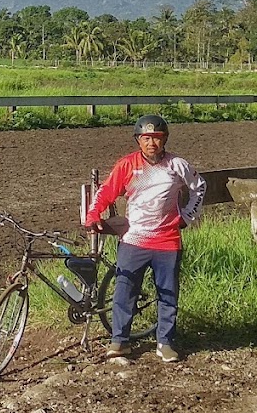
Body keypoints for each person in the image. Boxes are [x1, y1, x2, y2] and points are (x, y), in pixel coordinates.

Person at [84, 114, 206, 363]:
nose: (152, 143)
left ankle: (166, 342)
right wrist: (94, 214)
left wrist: (187, 216)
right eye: (147, 138)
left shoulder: (177, 165)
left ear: (165, 140)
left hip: (168, 240)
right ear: (139, 140)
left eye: (157, 138)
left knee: (168, 294)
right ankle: (120, 341)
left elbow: (199, 187)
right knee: (124, 291)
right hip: (133, 240)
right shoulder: (127, 165)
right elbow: (107, 191)